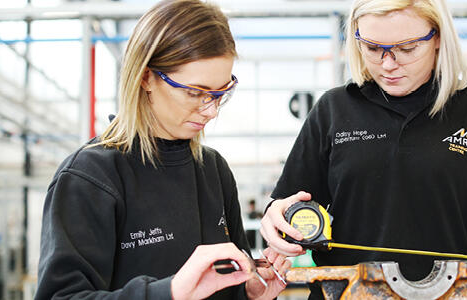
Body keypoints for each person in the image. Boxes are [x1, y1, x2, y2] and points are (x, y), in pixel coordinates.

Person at [260, 0, 467, 298]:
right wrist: (277, 220)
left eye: (407, 49)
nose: (388, 64)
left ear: (437, 38)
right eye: (373, 48)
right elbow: (293, 208)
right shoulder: (334, 110)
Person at [35, 1, 289, 299]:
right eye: (195, 92)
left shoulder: (213, 171)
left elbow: (229, 281)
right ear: (145, 77)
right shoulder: (90, 177)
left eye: (221, 93)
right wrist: (168, 293)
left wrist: (248, 293)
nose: (211, 110)